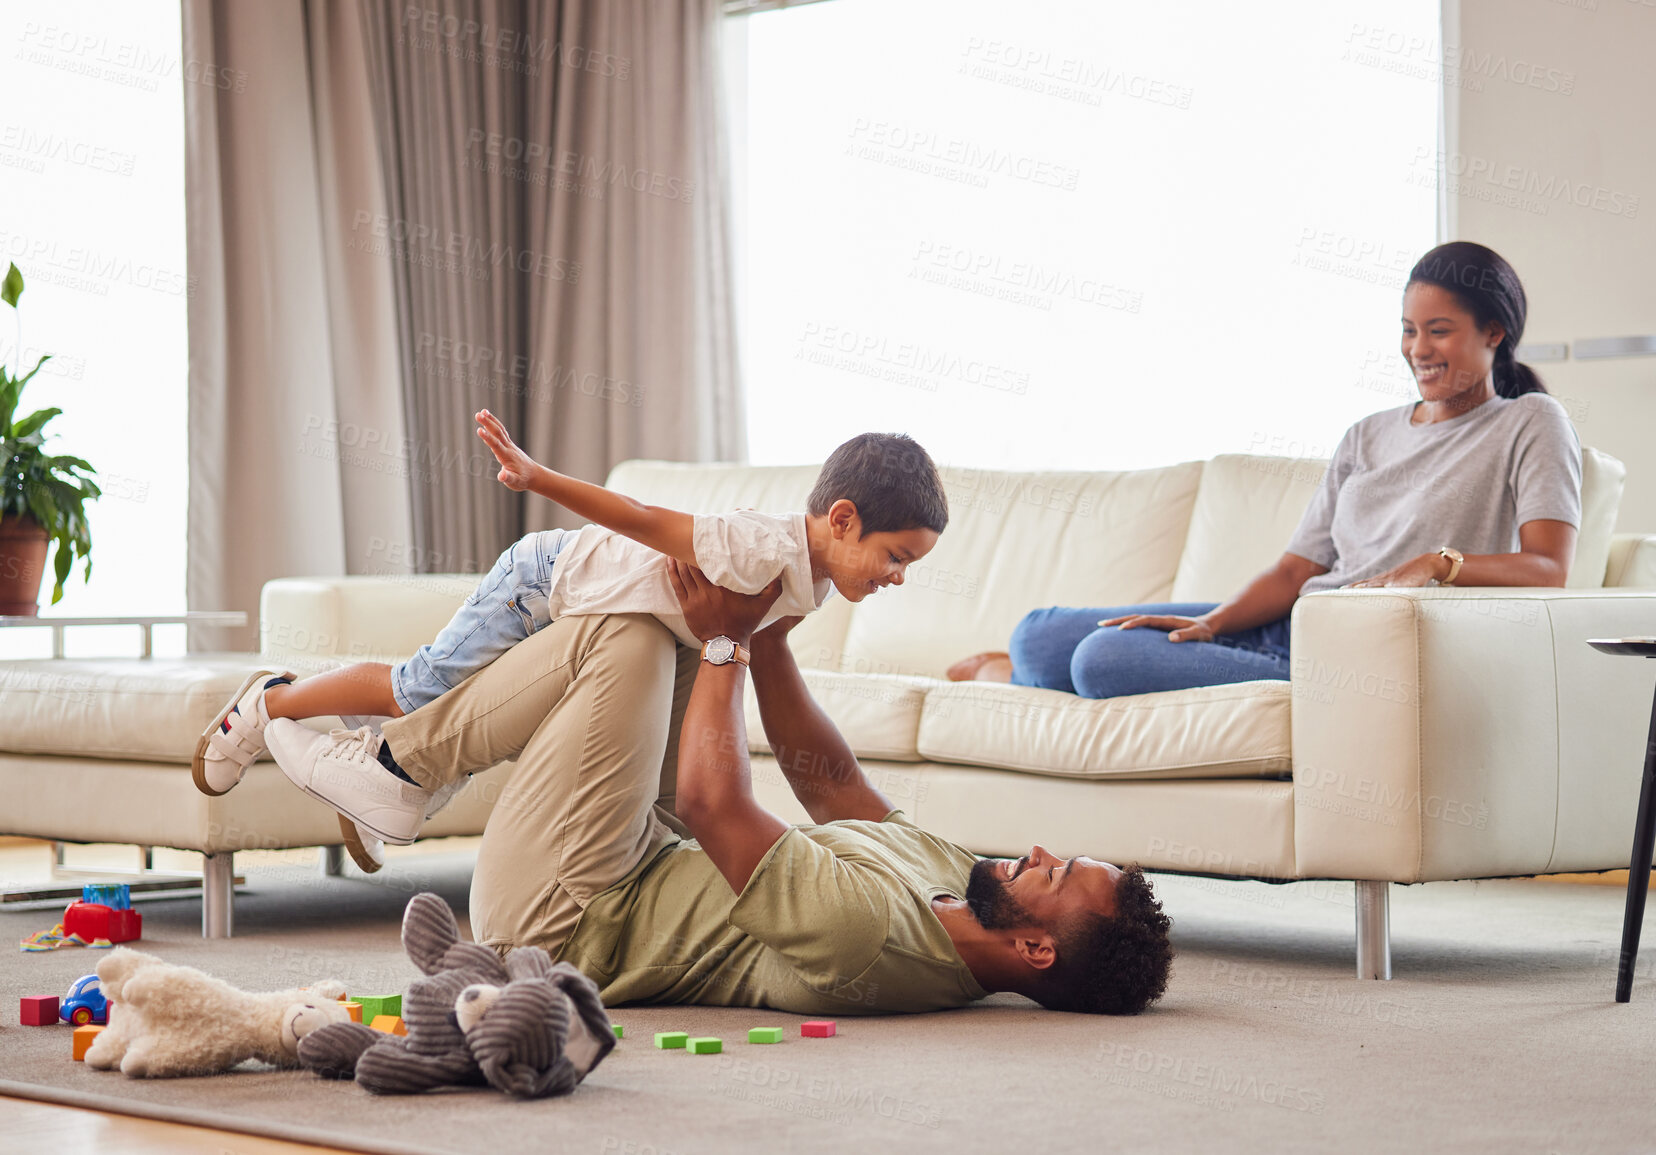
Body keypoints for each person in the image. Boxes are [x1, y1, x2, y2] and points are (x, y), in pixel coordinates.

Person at [265, 556, 1174, 1015]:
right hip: (643, 852)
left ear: (1037, 953)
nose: (1040, 853)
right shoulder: (963, 881)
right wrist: (770, 631)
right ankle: (403, 763)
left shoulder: (868, 942)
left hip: (564, 913)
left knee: (622, 636)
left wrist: (728, 643)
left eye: (1053, 876)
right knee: (660, 613)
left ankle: (396, 768)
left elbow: (716, 804)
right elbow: (831, 782)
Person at [194, 413, 947, 871]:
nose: (898, 577)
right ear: (842, 519)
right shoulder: (756, 546)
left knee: (465, 703)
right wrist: (537, 476)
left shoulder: (808, 582)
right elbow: (643, 516)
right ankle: (269, 701)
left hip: (596, 619)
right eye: (896, 557)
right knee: (416, 686)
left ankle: (385, 775)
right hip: (545, 581)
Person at [948, 241, 1582, 698]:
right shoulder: (1369, 433)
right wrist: (1213, 625)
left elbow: (1548, 570)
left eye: (1438, 331)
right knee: (1040, 635)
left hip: (1349, 657)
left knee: (1101, 658)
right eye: (1409, 330)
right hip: (1294, 619)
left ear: (1494, 330)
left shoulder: (1530, 422)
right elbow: (1293, 570)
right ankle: (1019, 669)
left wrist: (1438, 564)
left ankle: (1017, 681)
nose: (1418, 350)